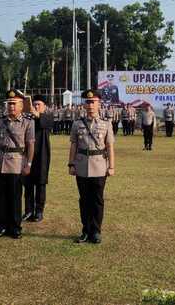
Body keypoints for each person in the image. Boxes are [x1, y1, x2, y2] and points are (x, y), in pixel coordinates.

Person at [68, 89, 115, 244]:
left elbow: (109, 147)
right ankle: (85, 230)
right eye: (87, 102)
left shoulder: (106, 124)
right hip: (81, 165)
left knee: (97, 200)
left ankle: (96, 231)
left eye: (93, 102)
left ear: (99, 104)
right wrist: (71, 163)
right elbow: (73, 145)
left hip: (100, 165)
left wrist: (112, 166)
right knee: (84, 200)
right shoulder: (77, 124)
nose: (90, 105)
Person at [0, 89, 35, 239]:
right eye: (9, 104)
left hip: (17, 162)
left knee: (15, 197)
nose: (11, 107)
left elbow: (30, 145)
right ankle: (1, 226)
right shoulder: (0, 122)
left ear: (22, 106)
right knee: (1, 197)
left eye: (14, 104)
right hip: (1, 162)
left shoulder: (28, 122)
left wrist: (28, 163)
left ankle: (15, 227)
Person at [23, 95, 53, 223]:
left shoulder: (47, 117)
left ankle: (39, 211)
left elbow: (45, 123)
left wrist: (35, 114)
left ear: (44, 107)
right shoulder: (26, 119)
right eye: (34, 104)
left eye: (38, 105)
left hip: (42, 155)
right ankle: (28, 211)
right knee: (27, 184)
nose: (36, 107)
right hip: (27, 155)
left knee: (40, 184)